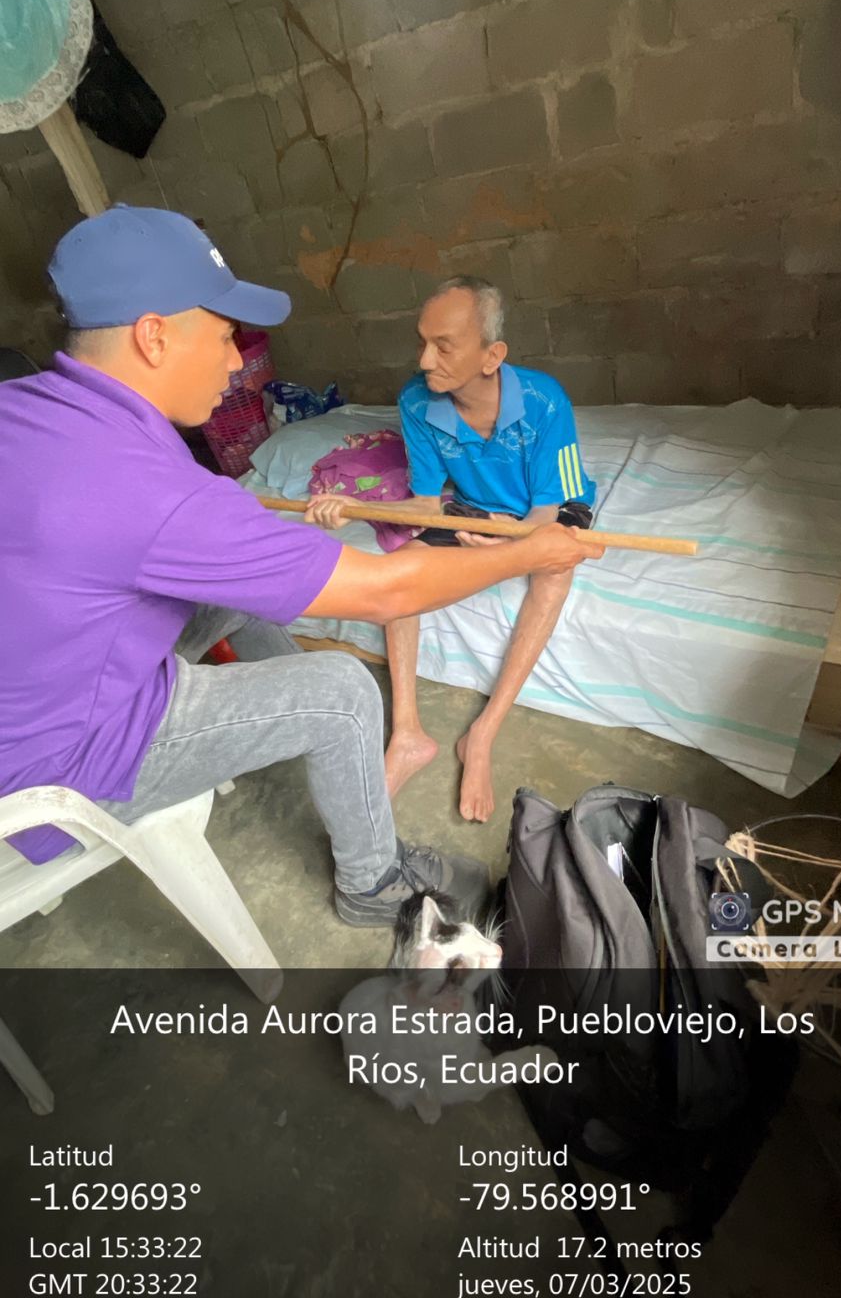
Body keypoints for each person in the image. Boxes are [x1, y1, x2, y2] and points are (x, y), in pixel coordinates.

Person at [0, 209, 595, 928]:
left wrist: (523, 539)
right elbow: (385, 590)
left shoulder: (21, 405)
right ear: (153, 336)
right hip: (56, 766)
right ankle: (372, 885)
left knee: (242, 601)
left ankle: (310, 735)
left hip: (39, 685)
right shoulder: (155, 493)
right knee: (342, 693)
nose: (237, 364)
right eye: (226, 336)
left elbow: (157, 522)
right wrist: (525, 553)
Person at [308, 277, 597, 825]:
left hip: (548, 508)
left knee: (555, 571)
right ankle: (408, 734)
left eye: (444, 346)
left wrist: (510, 543)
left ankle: (482, 733)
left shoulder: (543, 401)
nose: (424, 361)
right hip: (472, 508)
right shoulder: (416, 402)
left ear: (492, 356)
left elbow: (545, 513)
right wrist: (351, 506)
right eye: (422, 342)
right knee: (400, 572)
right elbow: (424, 504)